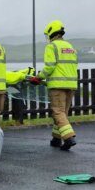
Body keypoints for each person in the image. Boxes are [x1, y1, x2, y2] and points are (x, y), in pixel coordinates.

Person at [30, 20, 78, 150]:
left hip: (58, 86)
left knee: (58, 112)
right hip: (71, 85)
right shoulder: (70, 46)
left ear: (51, 33)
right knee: (63, 113)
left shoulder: (52, 47)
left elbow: (50, 66)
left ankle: (69, 138)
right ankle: (56, 139)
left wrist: (39, 77)